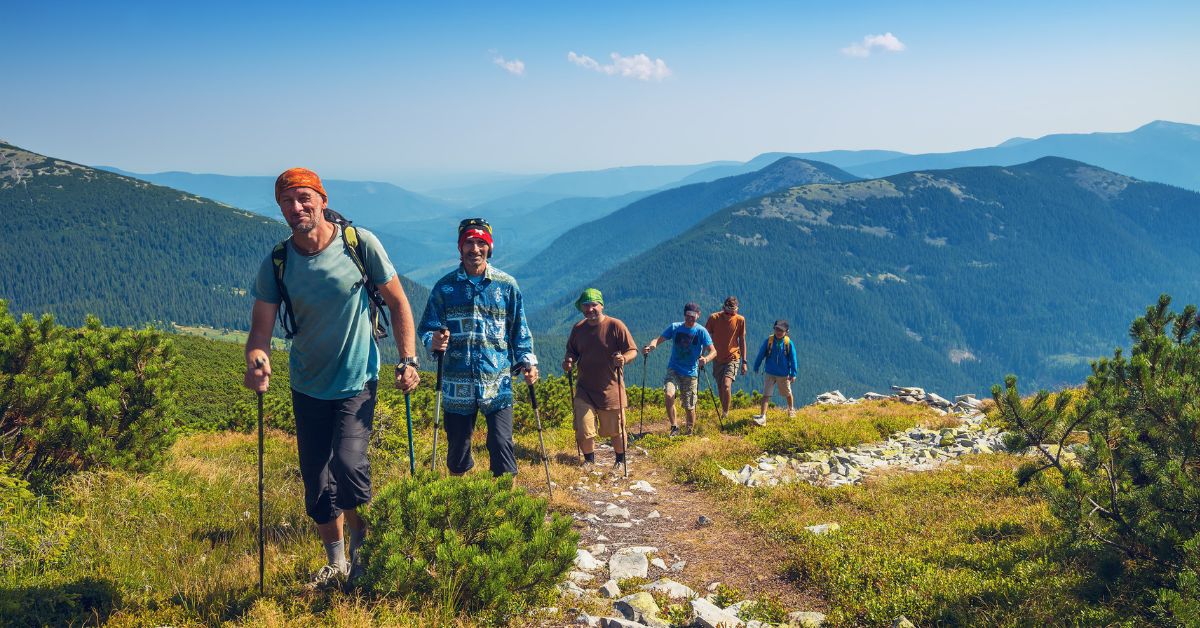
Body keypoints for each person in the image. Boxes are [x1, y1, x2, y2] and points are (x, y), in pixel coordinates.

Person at [244, 167, 420, 591]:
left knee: (349, 466)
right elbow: (260, 332)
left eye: (304, 198)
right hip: (307, 384)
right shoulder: (279, 261)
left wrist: (408, 358)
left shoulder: (359, 245)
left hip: (357, 379)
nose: (296, 207)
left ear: (322, 200)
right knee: (317, 483)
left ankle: (364, 558)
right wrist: (256, 361)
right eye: (287, 201)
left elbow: (398, 303)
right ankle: (336, 563)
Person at [419, 217, 538, 478]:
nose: (475, 249)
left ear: (490, 247)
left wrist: (528, 361)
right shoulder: (445, 287)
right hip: (456, 383)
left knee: (501, 444)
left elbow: (520, 329)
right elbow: (428, 326)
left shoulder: (507, 285)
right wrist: (433, 341)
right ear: (460, 248)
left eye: (481, 243)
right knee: (458, 450)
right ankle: (460, 506)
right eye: (469, 243)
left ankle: (506, 504)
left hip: (497, 380)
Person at [562, 288, 638, 470]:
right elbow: (571, 351)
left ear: (601, 305)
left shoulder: (615, 325)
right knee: (583, 427)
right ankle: (589, 461)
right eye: (586, 306)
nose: (589, 309)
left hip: (610, 388)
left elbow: (632, 350)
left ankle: (620, 461)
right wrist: (568, 361)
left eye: (593, 305)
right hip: (584, 388)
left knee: (616, 429)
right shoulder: (578, 328)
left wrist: (624, 359)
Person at [642, 302, 716, 436]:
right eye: (688, 316)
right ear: (684, 315)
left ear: (698, 316)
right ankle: (674, 427)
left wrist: (705, 359)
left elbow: (713, 351)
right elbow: (659, 339)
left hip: (690, 373)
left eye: (693, 316)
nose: (690, 319)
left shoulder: (701, 331)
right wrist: (651, 346)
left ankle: (689, 432)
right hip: (674, 369)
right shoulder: (675, 327)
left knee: (689, 406)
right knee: (669, 394)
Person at [704, 296, 747, 419]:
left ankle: (725, 414)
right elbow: (705, 337)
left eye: (731, 313)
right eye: (727, 312)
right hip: (717, 358)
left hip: (733, 357)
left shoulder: (740, 320)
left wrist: (744, 361)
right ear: (723, 308)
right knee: (720, 387)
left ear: (736, 310)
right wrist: (703, 353)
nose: (729, 315)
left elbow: (742, 340)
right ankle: (724, 410)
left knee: (726, 385)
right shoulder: (714, 318)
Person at [751, 319, 799, 425]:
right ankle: (763, 416)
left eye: (781, 330)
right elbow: (761, 354)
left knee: (787, 393)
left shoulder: (788, 343)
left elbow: (793, 359)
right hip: (770, 373)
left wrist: (793, 374)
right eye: (777, 329)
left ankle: (791, 410)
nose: (778, 332)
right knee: (766, 394)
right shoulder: (769, 341)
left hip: (783, 374)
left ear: (786, 332)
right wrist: (756, 365)